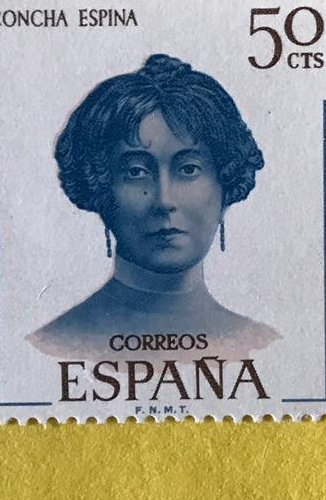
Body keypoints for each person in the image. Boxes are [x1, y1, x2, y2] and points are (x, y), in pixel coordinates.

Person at [28, 53, 280, 360]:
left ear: (225, 183)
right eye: (136, 172)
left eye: (188, 169)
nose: (164, 201)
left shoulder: (265, 346)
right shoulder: (53, 347)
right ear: (100, 185)